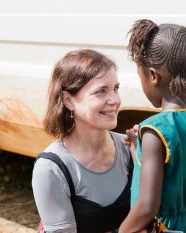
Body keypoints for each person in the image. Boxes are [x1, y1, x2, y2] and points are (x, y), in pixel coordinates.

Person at [119, 19, 186, 233]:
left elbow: (147, 207)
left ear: (152, 76)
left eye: (140, 75)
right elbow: (179, 172)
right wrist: (137, 152)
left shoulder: (155, 131)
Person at [32, 49, 133, 233]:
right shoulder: (51, 170)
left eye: (115, 89)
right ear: (68, 100)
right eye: (101, 91)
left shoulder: (130, 148)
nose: (115, 100)